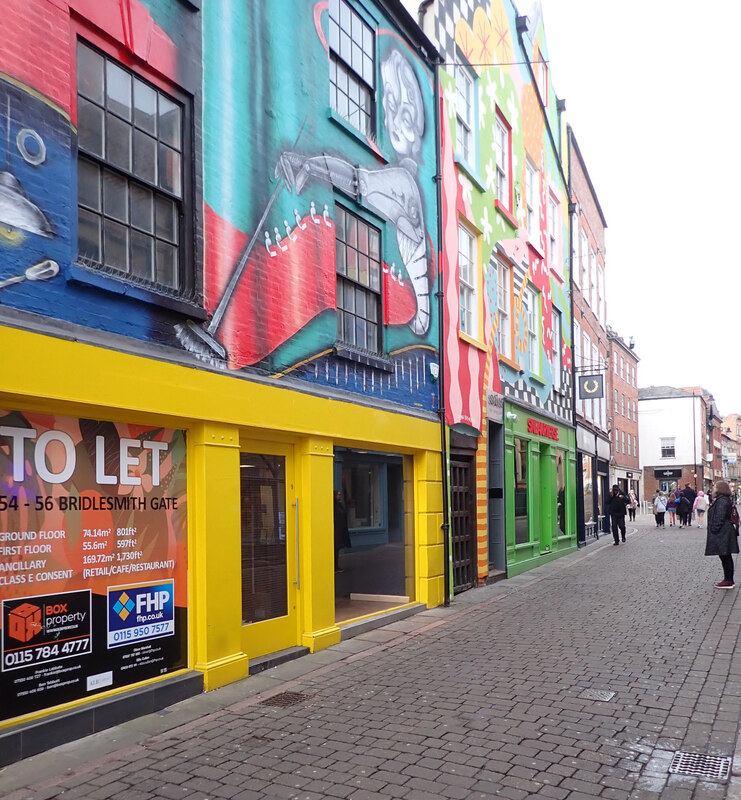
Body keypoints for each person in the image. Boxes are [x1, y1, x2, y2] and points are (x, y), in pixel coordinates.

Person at [705, 480, 739, 589]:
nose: (713, 488)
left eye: (715, 486)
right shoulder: (723, 500)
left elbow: (720, 516)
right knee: (725, 555)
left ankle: (728, 580)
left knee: (725, 555)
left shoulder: (722, 501)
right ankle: (728, 579)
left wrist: (714, 529)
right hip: (724, 531)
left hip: (723, 532)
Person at [333, 490, 351, 572]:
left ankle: (336, 565)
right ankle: (334, 566)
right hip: (336, 531)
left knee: (337, 549)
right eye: (338, 495)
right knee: (335, 549)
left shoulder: (339, 505)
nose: (339, 496)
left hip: (340, 531)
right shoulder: (333, 506)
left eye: (340, 495)